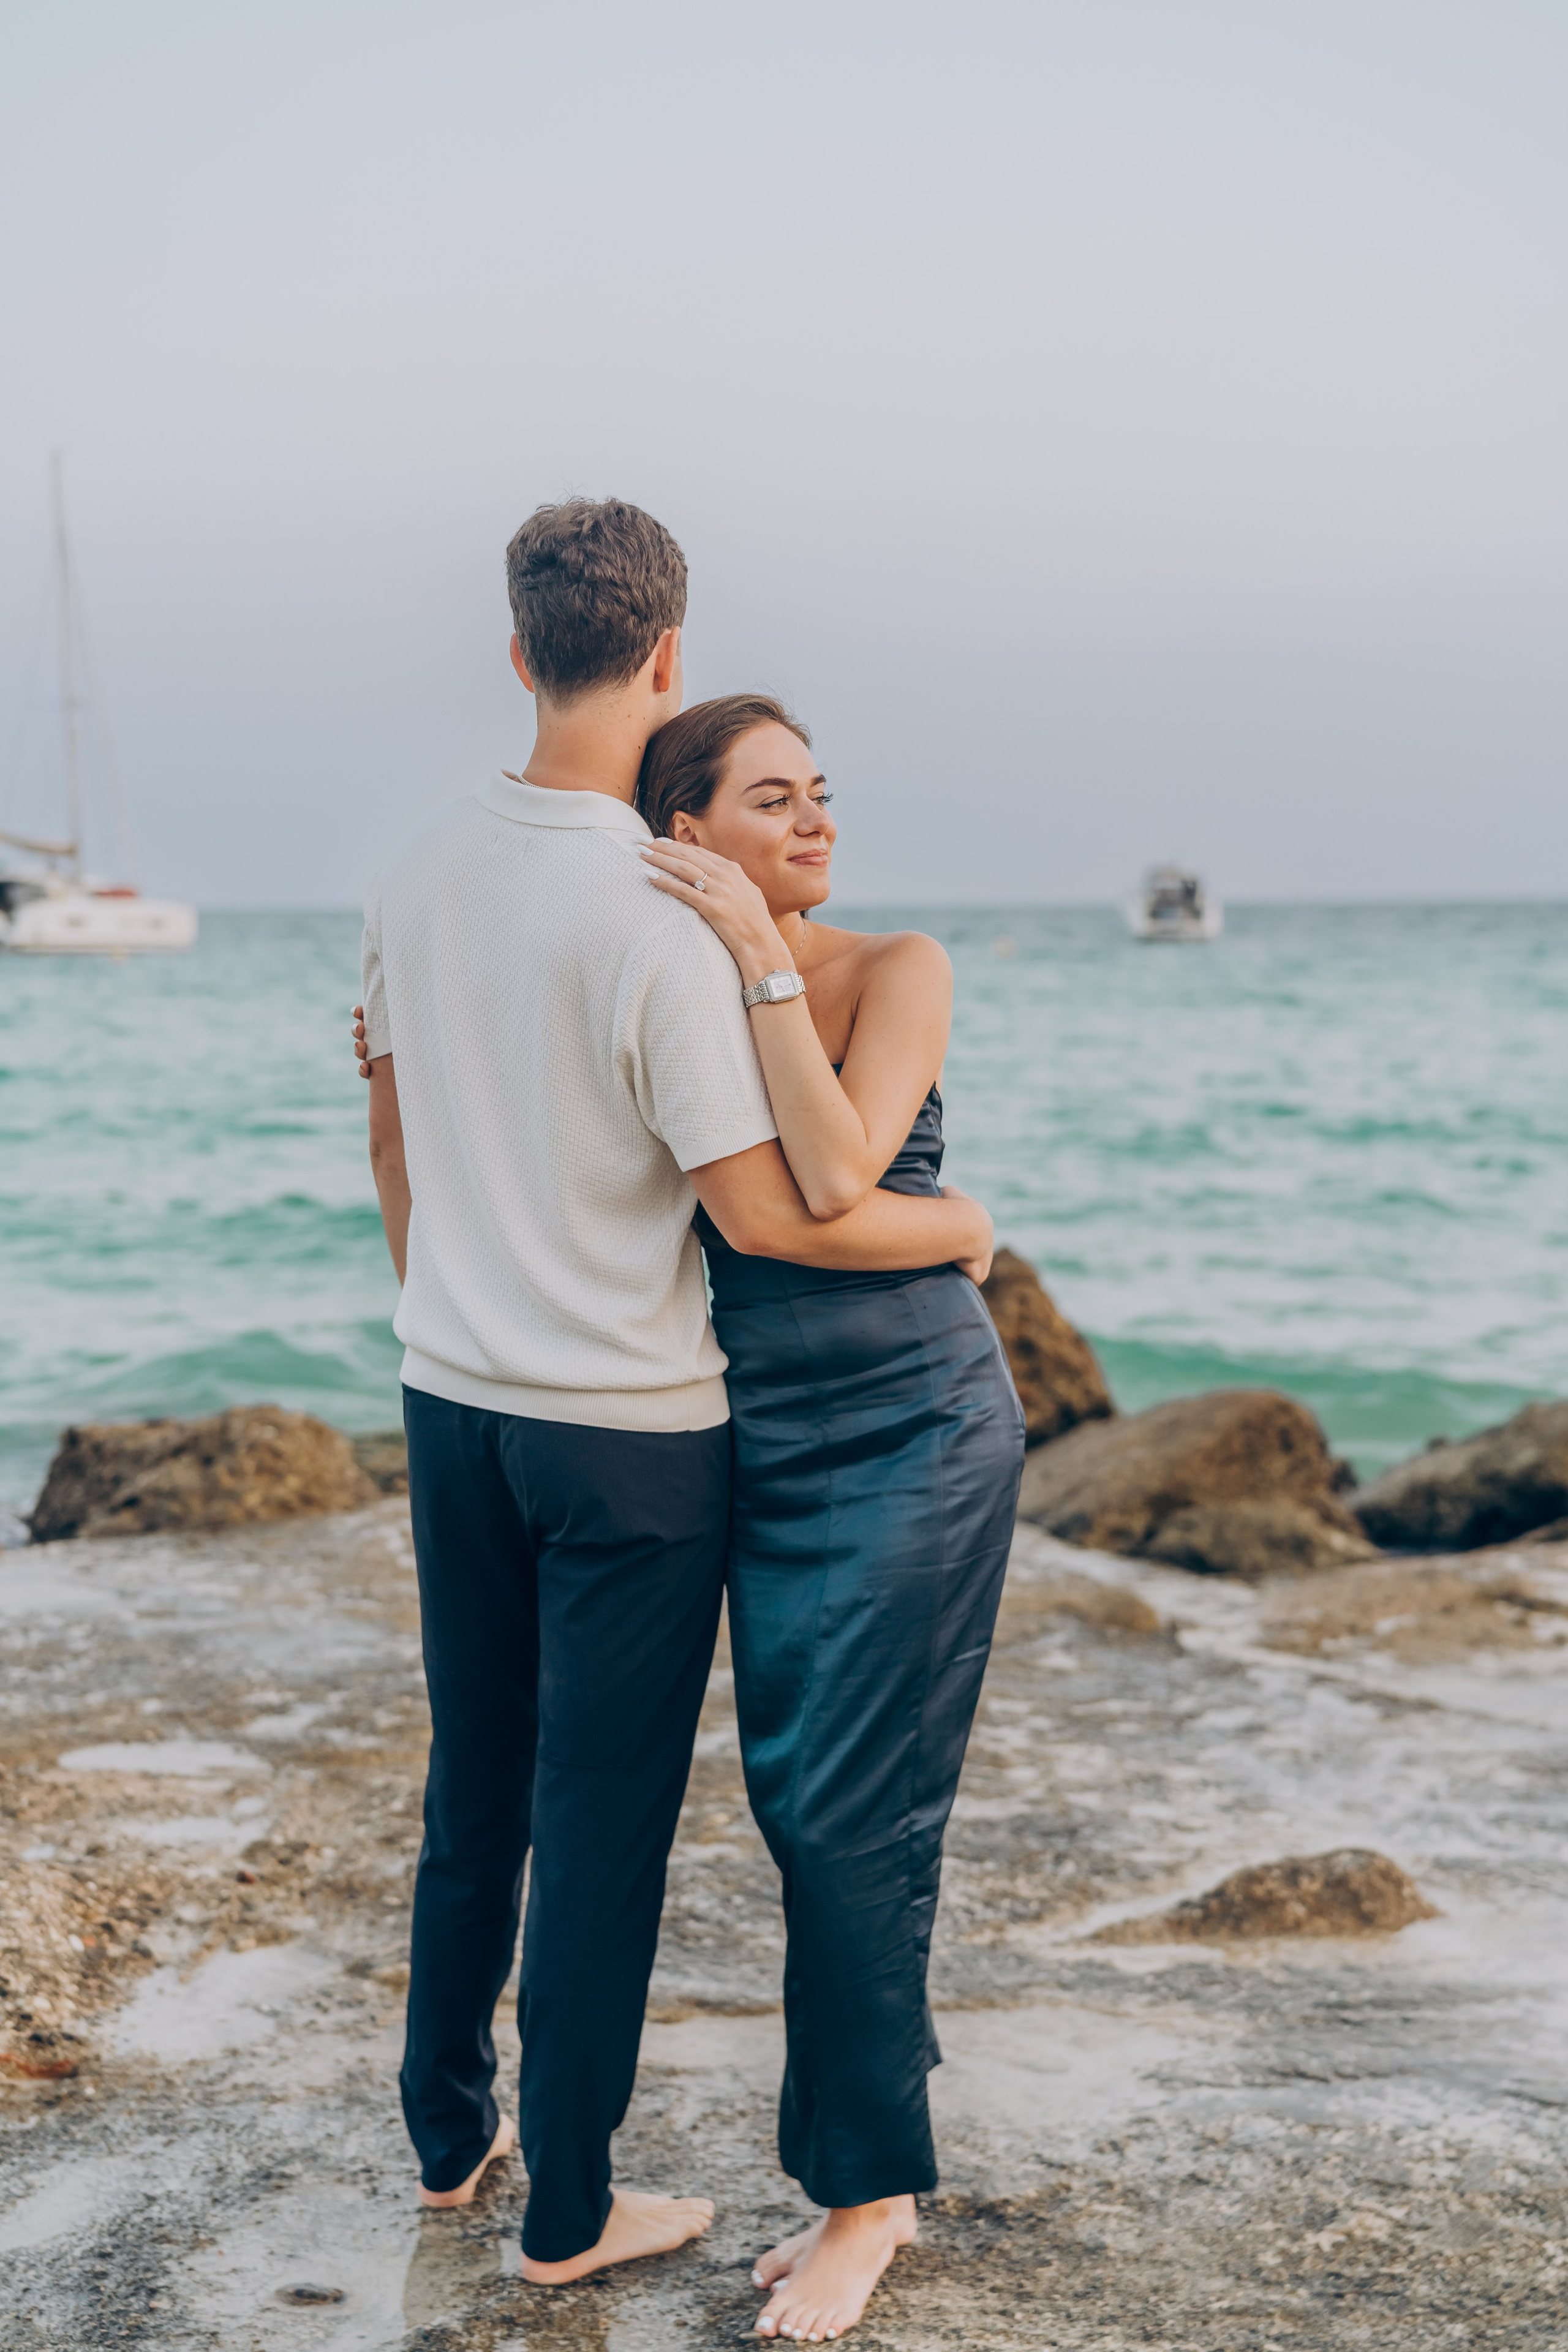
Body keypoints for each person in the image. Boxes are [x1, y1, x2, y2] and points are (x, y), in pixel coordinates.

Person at [355, 498, 995, 2302]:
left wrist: (450, 1303)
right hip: (627, 1431)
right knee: (605, 1818)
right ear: (667, 658)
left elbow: (395, 1135)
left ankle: (443, 2137)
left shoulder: (414, 868)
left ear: (512, 649)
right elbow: (772, 1208)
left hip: (447, 1395)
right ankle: (569, 2215)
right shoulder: (652, 912)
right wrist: (965, 1227)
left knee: (475, 1782)